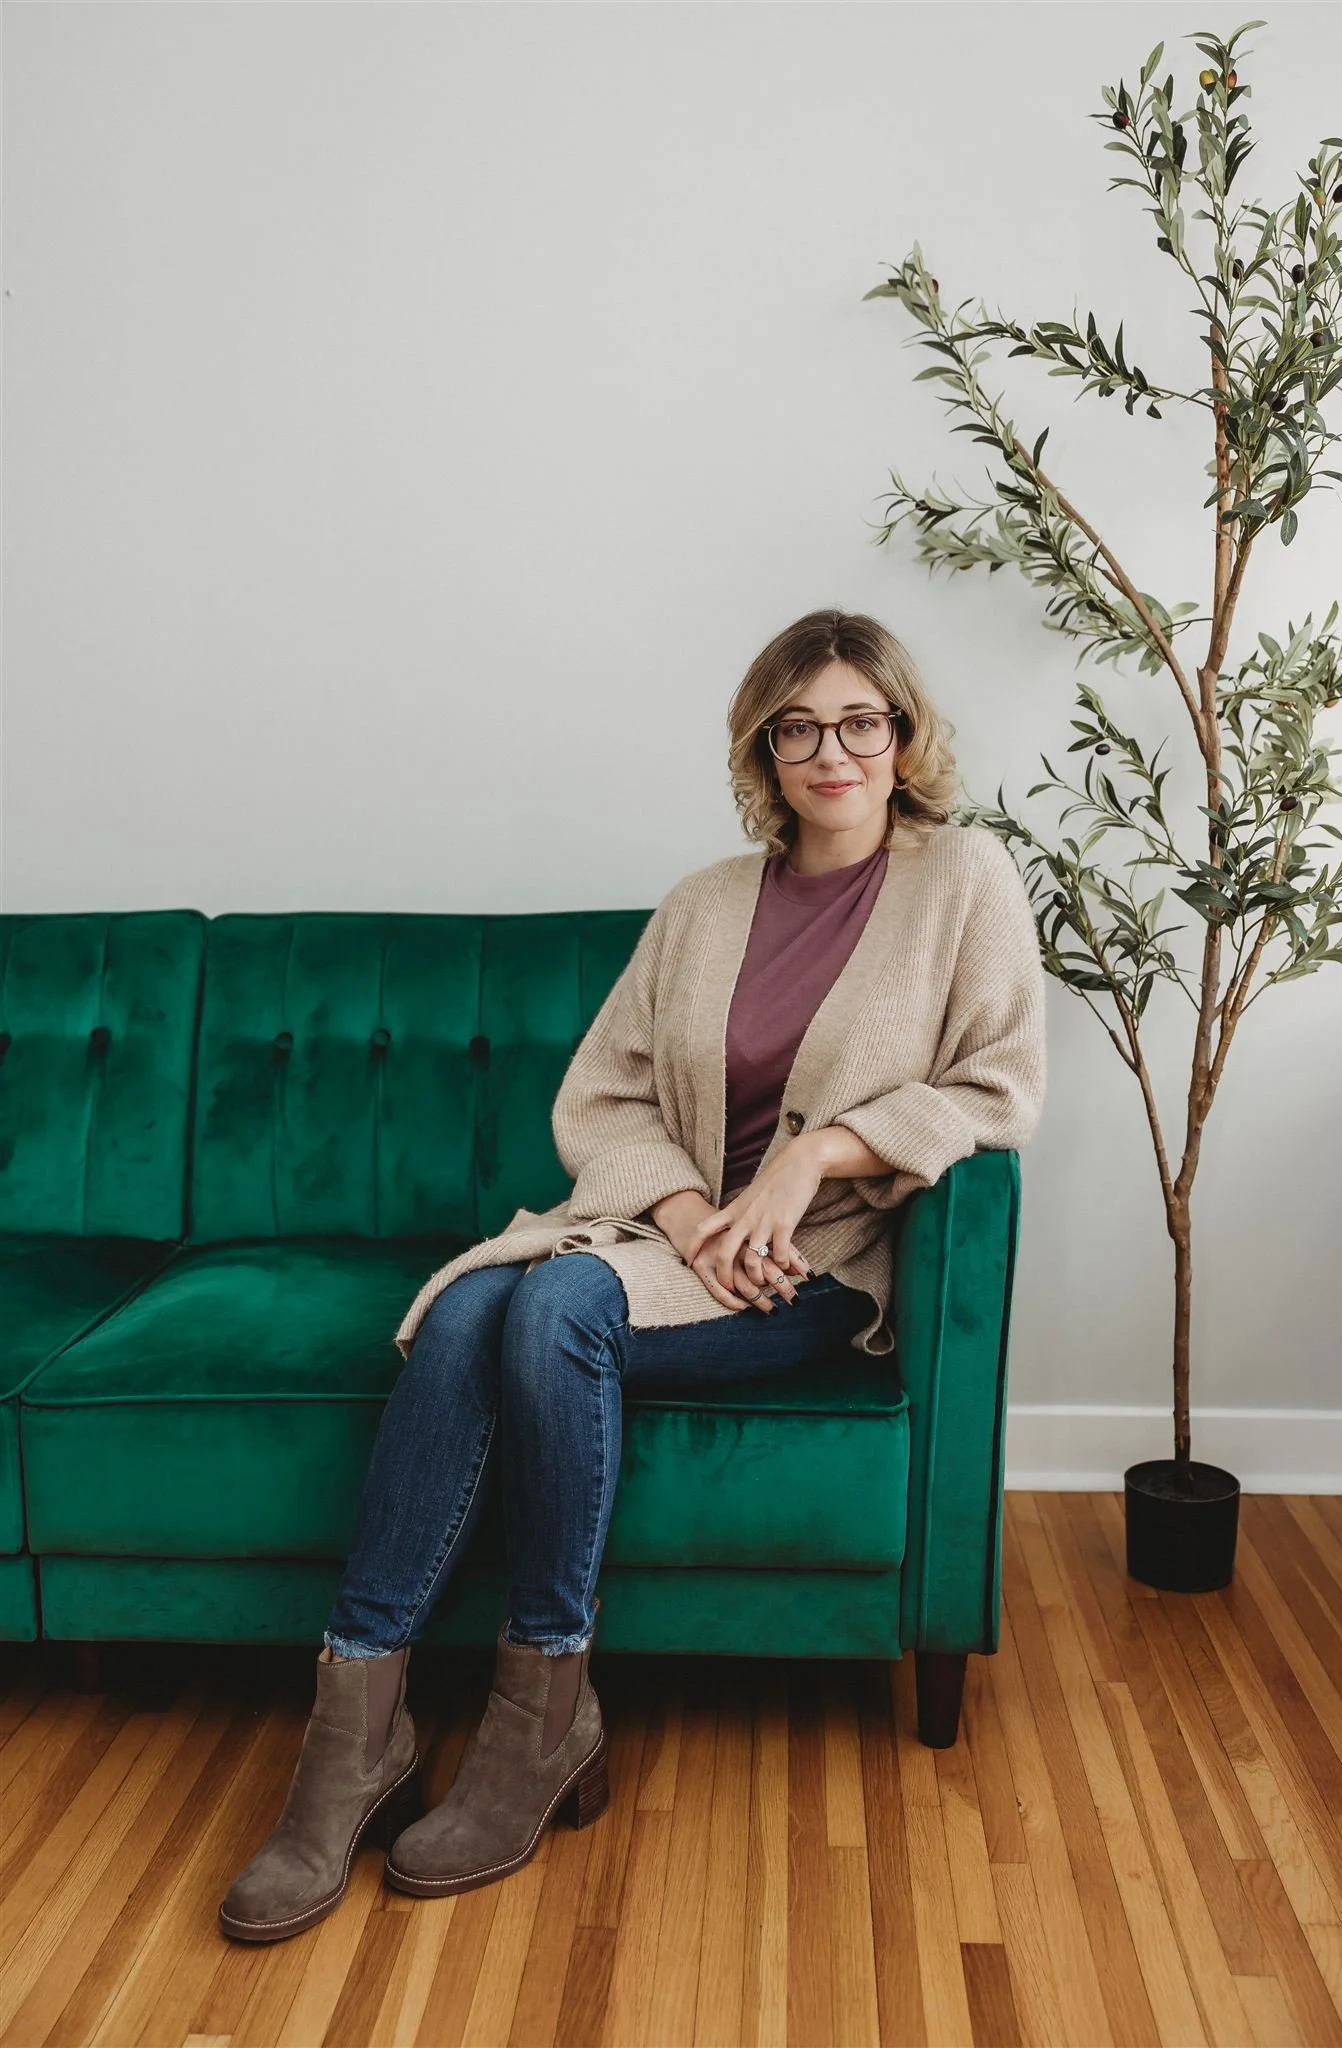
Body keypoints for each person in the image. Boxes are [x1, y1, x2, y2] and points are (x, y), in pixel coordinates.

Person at [218, 607, 1048, 1943]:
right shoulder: (704, 904)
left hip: (815, 1266)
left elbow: (998, 1089)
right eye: (797, 729)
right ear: (764, 750)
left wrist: (809, 1161)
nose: (831, 753)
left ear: (903, 735)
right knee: (469, 1305)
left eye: (860, 721)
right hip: (663, 1239)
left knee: (548, 1301)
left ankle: (540, 1715)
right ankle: (354, 1734)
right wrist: (686, 1208)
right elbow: (602, 1096)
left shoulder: (966, 880)